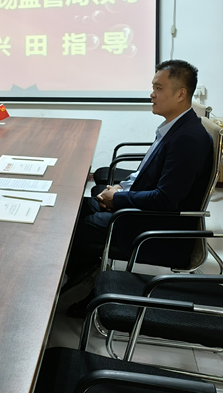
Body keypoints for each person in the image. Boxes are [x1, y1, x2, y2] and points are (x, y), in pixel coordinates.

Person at [64, 60, 213, 308]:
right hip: (140, 210)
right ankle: (82, 278)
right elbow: (146, 174)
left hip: (154, 229)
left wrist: (118, 199)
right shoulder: (175, 127)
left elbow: (165, 199)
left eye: (158, 88)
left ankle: (85, 286)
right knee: (73, 210)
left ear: (180, 94)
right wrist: (120, 189)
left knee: (72, 228)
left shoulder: (187, 139)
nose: (152, 94)